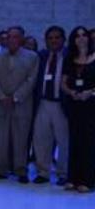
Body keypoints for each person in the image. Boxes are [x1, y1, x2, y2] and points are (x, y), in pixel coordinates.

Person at [0, 26, 39, 183]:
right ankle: (0, 170)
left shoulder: (32, 57)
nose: (11, 40)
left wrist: (15, 97)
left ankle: (20, 170)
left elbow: (31, 80)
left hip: (22, 104)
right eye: (9, 37)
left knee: (21, 139)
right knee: (1, 139)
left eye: (15, 37)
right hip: (1, 103)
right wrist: (2, 97)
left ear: (22, 39)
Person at [32, 25, 69, 185]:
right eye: (50, 38)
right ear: (46, 41)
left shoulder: (69, 56)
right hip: (43, 103)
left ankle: (63, 173)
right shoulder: (41, 56)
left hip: (62, 104)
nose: (53, 41)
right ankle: (43, 172)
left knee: (64, 141)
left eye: (57, 38)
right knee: (41, 139)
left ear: (63, 39)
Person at [61, 26, 95, 193]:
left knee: (88, 143)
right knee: (74, 141)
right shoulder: (70, 58)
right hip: (74, 105)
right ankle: (72, 178)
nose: (81, 38)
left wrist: (91, 92)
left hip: (91, 106)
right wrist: (71, 92)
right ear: (73, 40)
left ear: (89, 38)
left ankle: (87, 180)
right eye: (77, 36)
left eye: (84, 35)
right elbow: (63, 82)